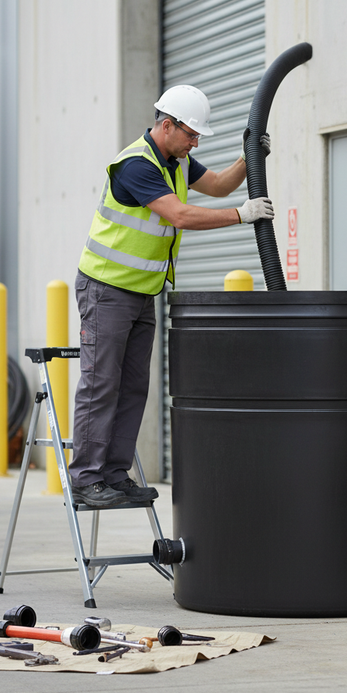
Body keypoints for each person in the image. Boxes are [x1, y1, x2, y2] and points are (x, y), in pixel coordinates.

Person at [69, 84, 273, 507]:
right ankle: (86, 479)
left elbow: (216, 185)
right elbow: (179, 215)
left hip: (142, 293)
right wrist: (242, 215)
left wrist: (249, 158)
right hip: (106, 290)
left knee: (133, 386)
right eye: (191, 134)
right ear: (167, 125)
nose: (195, 142)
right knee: (100, 383)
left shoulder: (175, 160)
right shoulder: (136, 166)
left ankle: (113, 475)